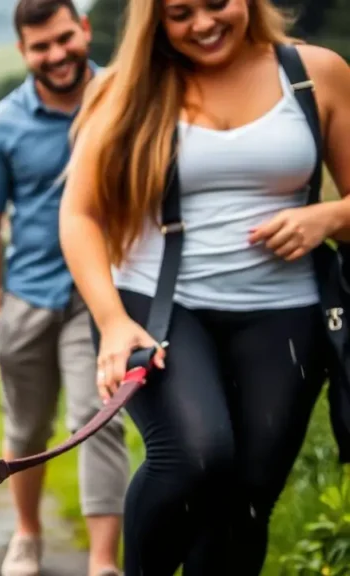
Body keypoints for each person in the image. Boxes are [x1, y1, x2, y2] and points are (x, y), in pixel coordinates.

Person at [59, 0, 350, 571]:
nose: (203, 23)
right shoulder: (126, 88)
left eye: (216, 3)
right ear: (155, 21)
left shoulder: (317, 72)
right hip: (157, 304)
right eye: (180, 12)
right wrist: (114, 321)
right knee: (194, 456)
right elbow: (79, 216)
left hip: (286, 310)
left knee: (248, 497)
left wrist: (330, 217)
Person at [0, 0, 128, 574]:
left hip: (102, 296)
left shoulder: (125, 97)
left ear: (84, 29)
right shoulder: (1, 123)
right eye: (41, 46)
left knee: (97, 416)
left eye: (64, 39)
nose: (56, 55)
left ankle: (103, 562)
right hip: (28, 295)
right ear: (23, 51)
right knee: (27, 429)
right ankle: (28, 535)